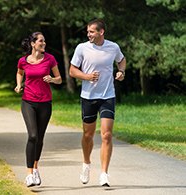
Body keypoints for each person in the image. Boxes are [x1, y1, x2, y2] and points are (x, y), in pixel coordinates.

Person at [69, 19, 126, 187]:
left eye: (92, 32)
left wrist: (121, 71)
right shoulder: (82, 48)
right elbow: (72, 70)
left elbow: (121, 60)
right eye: (88, 32)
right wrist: (86, 76)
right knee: (88, 135)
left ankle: (104, 174)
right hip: (88, 96)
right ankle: (86, 164)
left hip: (108, 95)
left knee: (107, 135)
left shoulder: (113, 47)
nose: (88, 35)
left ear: (101, 32)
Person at [14, 32, 62, 187]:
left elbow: (59, 79)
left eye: (45, 41)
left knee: (40, 138)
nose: (44, 43)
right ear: (33, 44)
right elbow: (19, 72)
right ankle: (28, 175)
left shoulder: (50, 59)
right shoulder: (23, 61)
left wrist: (52, 79)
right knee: (32, 136)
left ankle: (35, 169)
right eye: (41, 41)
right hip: (28, 101)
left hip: (45, 103)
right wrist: (19, 84)